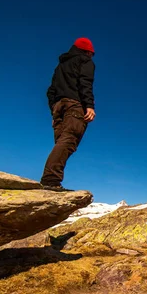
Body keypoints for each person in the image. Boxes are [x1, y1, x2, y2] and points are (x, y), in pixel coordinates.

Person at [40, 37, 96, 191]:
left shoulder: (61, 66)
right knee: (69, 141)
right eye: (91, 54)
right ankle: (50, 181)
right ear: (87, 52)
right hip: (74, 106)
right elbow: (85, 83)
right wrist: (89, 106)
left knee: (61, 142)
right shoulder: (85, 62)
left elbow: (51, 91)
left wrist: (53, 111)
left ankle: (51, 180)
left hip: (59, 106)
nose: (91, 57)